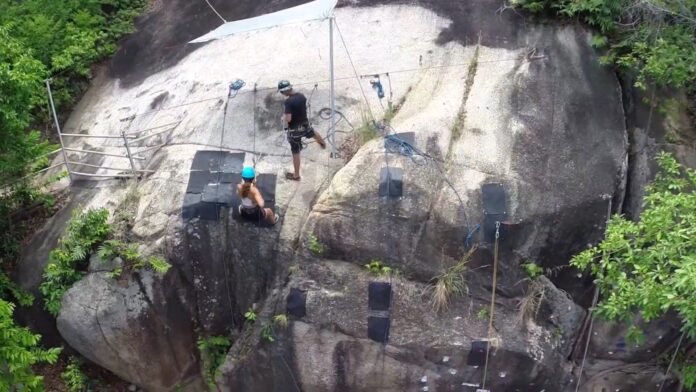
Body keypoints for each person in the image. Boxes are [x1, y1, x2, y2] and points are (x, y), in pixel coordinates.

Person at [278, 80, 326, 181]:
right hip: (305, 124)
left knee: (295, 151)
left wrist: (283, 118)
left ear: (285, 91)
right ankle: (322, 143)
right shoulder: (301, 96)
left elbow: (289, 119)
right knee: (312, 133)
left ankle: (296, 175)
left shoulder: (288, 102)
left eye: (282, 92)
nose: (282, 94)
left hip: (294, 130)